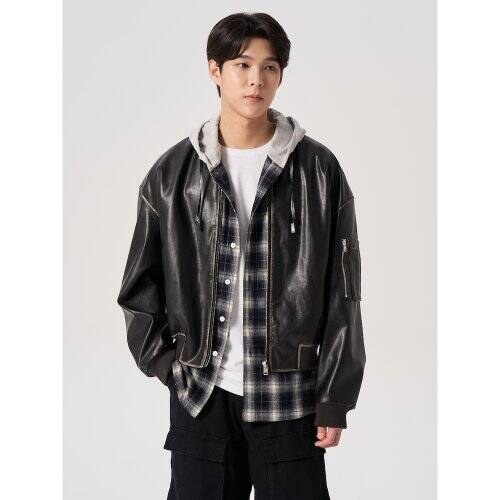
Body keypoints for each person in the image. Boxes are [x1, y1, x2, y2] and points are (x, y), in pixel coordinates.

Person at [117, 11, 365, 500]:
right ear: (215, 70)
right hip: (201, 397)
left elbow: (344, 293)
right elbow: (139, 286)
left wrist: (334, 397)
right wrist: (167, 364)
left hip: (290, 401)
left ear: (281, 75)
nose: (256, 80)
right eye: (242, 65)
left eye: (270, 67)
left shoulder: (319, 170)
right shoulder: (172, 174)